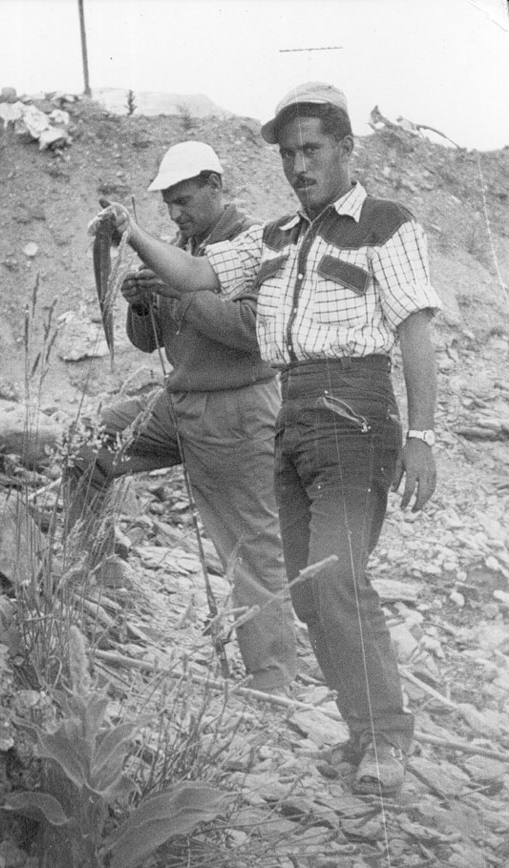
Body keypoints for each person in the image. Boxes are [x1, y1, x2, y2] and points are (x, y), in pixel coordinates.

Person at [91, 84, 442, 795]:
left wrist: (424, 435)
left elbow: (415, 329)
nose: (298, 165)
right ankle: (359, 732)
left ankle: (386, 737)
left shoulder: (387, 223)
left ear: (346, 148)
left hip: (357, 414)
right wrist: (131, 232)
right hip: (293, 416)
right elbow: (193, 273)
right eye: (288, 153)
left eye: (312, 149)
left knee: (338, 577)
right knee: (311, 589)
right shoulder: (277, 234)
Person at [68, 141, 297, 694]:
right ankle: (93, 580)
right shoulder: (181, 245)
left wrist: (178, 292)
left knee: (249, 547)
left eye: (185, 200)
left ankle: (273, 682)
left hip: (237, 408)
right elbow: (150, 343)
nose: (175, 213)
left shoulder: (256, 242)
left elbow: (251, 331)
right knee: (89, 441)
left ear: (216, 187)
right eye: (168, 204)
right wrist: (141, 303)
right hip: (180, 401)